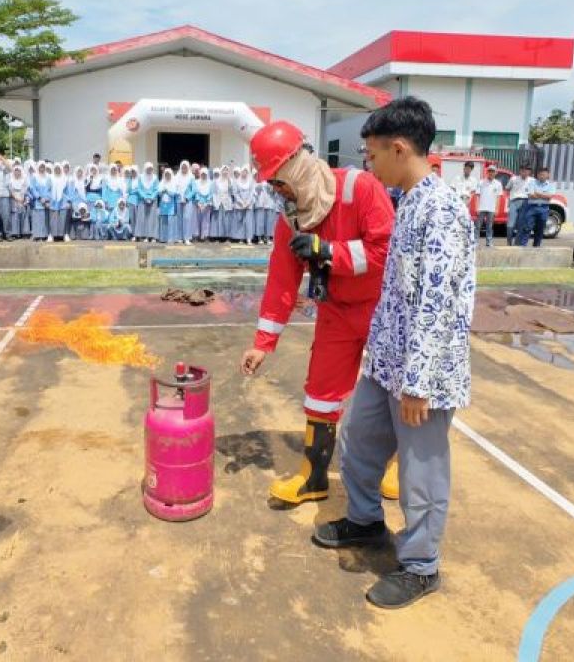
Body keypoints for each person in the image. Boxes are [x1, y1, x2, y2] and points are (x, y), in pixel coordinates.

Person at [312, 95, 475, 611]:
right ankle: (365, 520)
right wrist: (381, 360)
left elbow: (438, 301)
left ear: (400, 148)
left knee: (421, 472)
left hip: (419, 376)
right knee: (359, 438)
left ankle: (421, 566)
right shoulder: (410, 201)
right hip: (387, 363)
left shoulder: (443, 211)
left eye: (373, 155)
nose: (369, 164)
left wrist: (419, 382)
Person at [240, 120, 395, 508]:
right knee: (320, 393)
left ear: (296, 169)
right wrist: (263, 343)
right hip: (336, 313)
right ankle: (314, 477)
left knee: (394, 390)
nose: (277, 192)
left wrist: (327, 252)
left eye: (279, 182)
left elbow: (384, 251)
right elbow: (280, 283)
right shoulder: (289, 220)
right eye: (271, 185)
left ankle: (396, 465)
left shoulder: (360, 187)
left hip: (383, 309)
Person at [515, 166, 555, 247]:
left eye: (544, 174)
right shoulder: (532, 183)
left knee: (540, 229)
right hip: (532, 208)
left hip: (544, 209)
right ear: (537, 175)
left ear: (548, 175)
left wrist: (538, 194)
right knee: (527, 227)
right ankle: (523, 246)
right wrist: (544, 195)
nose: (542, 176)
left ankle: (536, 247)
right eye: (540, 174)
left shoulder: (551, 185)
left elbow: (549, 197)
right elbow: (531, 195)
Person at [474, 165, 503, 247]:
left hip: (491, 208)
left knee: (489, 226)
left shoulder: (498, 184)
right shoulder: (481, 182)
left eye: (493, 171)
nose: (491, 173)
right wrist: (477, 207)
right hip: (481, 207)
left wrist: (497, 209)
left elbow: (498, 197)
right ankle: (475, 241)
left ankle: (489, 242)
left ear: (495, 173)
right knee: (478, 226)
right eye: (489, 171)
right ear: (487, 172)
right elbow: (477, 195)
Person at [505, 164, 532, 240]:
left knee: (521, 223)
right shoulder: (513, 179)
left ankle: (518, 241)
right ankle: (509, 241)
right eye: (523, 170)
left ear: (529, 171)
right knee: (511, 223)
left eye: (527, 170)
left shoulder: (532, 180)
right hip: (514, 201)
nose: (524, 172)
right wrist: (509, 199)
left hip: (525, 202)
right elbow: (507, 189)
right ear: (520, 171)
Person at [135, 163, 160, 242]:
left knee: (152, 218)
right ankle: (145, 236)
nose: (149, 170)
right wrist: (145, 197)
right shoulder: (141, 177)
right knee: (143, 218)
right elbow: (139, 188)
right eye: (148, 169)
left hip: (153, 200)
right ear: (145, 169)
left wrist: (151, 197)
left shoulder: (155, 177)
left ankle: (153, 236)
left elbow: (157, 189)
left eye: (151, 169)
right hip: (143, 200)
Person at [29, 162, 53, 241]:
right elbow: (32, 189)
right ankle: (37, 235)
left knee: (45, 219)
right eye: (41, 167)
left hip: (46, 201)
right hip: (38, 201)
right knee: (37, 219)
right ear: (38, 167)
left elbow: (50, 189)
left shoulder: (48, 177)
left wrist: (46, 199)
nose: (42, 168)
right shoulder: (34, 177)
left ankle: (44, 235)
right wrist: (39, 198)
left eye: (43, 167)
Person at [49, 161, 73, 242]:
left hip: (63, 202)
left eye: (58, 169)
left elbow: (68, 191)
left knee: (63, 219)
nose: (57, 170)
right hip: (53, 202)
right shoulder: (50, 178)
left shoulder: (65, 178)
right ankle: (52, 235)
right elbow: (48, 190)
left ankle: (64, 235)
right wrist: (47, 200)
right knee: (53, 219)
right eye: (56, 169)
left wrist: (69, 202)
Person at [8, 164, 30, 238]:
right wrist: (16, 197)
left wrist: (23, 198)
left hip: (22, 198)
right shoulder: (10, 180)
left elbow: (26, 190)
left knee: (23, 215)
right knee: (14, 216)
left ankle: (24, 233)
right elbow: (10, 191)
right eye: (16, 171)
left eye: (19, 171)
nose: (17, 173)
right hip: (13, 199)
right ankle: (15, 233)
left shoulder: (24, 180)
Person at [191, 169, 213, 240]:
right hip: (198, 203)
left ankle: (204, 235)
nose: (203, 176)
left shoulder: (210, 183)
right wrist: (199, 203)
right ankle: (197, 234)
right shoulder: (197, 182)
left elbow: (211, 193)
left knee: (206, 220)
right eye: (202, 174)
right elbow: (196, 192)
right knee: (197, 220)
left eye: (205, 174)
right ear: (200, 174)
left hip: (207, 204)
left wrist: (206, 203)